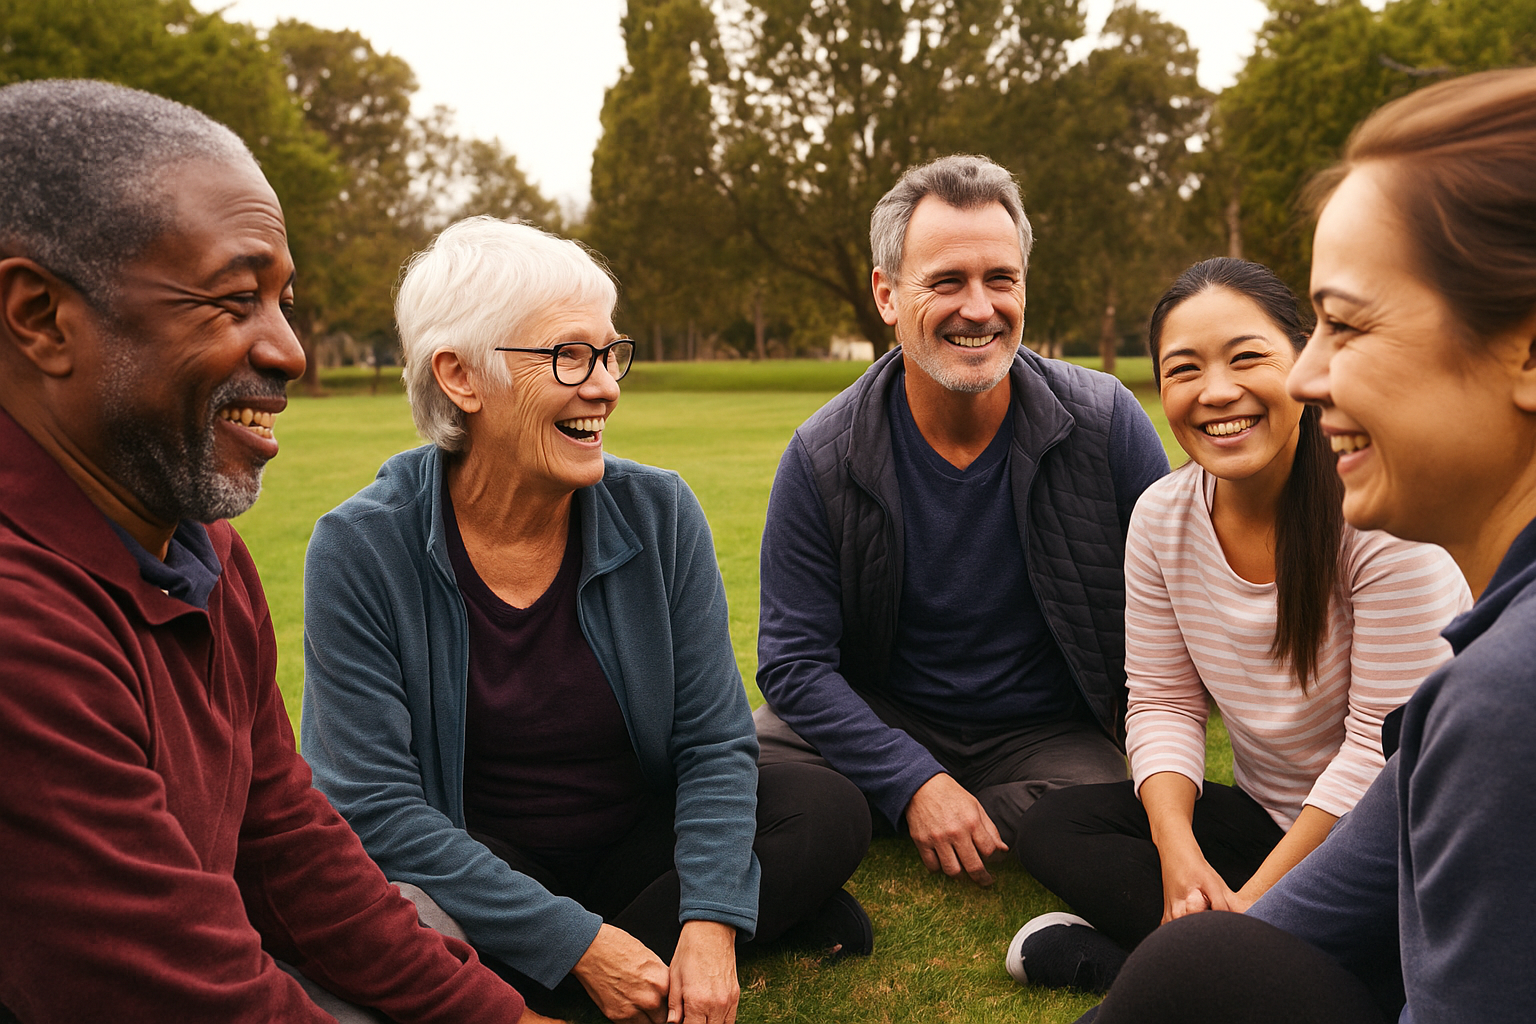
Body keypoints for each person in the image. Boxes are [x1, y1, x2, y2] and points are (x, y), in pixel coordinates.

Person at [0, 80, 547, 1023]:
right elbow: (185, 993)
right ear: (44, 319)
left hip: (208, 953)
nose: (290, 351)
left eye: (283, 301)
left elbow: (285, 839)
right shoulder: (22, 623)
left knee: (414, 922)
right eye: (233, 300)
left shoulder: (199, 549)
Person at [300, 216, 872, 1024]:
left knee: (823, 809)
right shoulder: (360, 547)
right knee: (393, 901)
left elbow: (713, 742)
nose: (605, 384)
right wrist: (580, 943)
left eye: (610, 354)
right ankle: (732, 929)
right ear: (461, 377)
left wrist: (708, 926)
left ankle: (651, 948)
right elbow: (374, 808)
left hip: (635, 844)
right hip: (480, 866)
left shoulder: (660, 509)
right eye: (570, 356)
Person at [1078, 66, 1536, 1024]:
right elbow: (1161, 702)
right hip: (1274, 839)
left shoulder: (1501, 702)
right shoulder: (1485, 677)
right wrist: (1198, 912)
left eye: (1346, 324)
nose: (1309, 374)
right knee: (1183, 947)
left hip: (1320, 830)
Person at [1003, 258, 1469, 993]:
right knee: (1055, 827)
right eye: (1183, 369)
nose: (1217, 392)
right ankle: (1218, 962)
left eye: (1248, 358)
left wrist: (1252, 907)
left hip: (1391, 842)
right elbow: (1163, 701)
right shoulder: (1161, 516)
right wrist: (1178, 852)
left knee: (1391, 955)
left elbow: (1380, 755)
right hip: (1266, 823)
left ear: (1307, 363)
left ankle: (1170, 967)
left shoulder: (1382, 515)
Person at [753, 154, 1171, 888]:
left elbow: (1180, 606)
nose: (979, 308)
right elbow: (793, 663)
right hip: (883, 713)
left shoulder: (1107, 423)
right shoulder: (821, 454)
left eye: (1000, 279)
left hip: (1046, 736)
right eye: (946, 281)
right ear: (887, 294)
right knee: (735, 763)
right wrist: (911, 777)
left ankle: (924, 813)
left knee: (1102, 800)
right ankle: (937, 809)